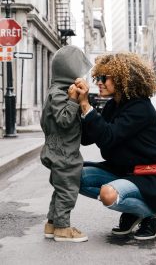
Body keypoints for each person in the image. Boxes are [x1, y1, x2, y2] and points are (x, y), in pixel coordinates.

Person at [75, 52, 156, 241]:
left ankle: (152, 213)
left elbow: (108, 137)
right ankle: (134, 211)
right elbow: (88, 138)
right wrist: (78, 104)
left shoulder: (140, 108)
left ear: (122, 79)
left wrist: (86, 106)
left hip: (151, 178)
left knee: (108, 195)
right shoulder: (113, 106)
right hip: (122, 172)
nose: (99, 82)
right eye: (98, 77)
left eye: (104, 78)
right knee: (72, 177)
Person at [40, 45, 91, 242]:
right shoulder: (61, 94)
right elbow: (64, 120)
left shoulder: (55, 91)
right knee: (68, 190)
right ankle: (63, 228)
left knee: (60, 189)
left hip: (56, 150)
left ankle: (52, 224)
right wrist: (73, 101)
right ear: (69, 70)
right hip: (64, 153)